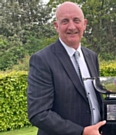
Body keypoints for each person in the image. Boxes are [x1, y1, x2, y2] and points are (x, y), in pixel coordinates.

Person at [27, 2, 105, 135]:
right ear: (56, 26)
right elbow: (39, 113)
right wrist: (81, 132)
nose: (71, 26)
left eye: (76, 20)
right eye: (65, 21)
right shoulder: (42, 60)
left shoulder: (91, 56)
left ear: (84, 24)